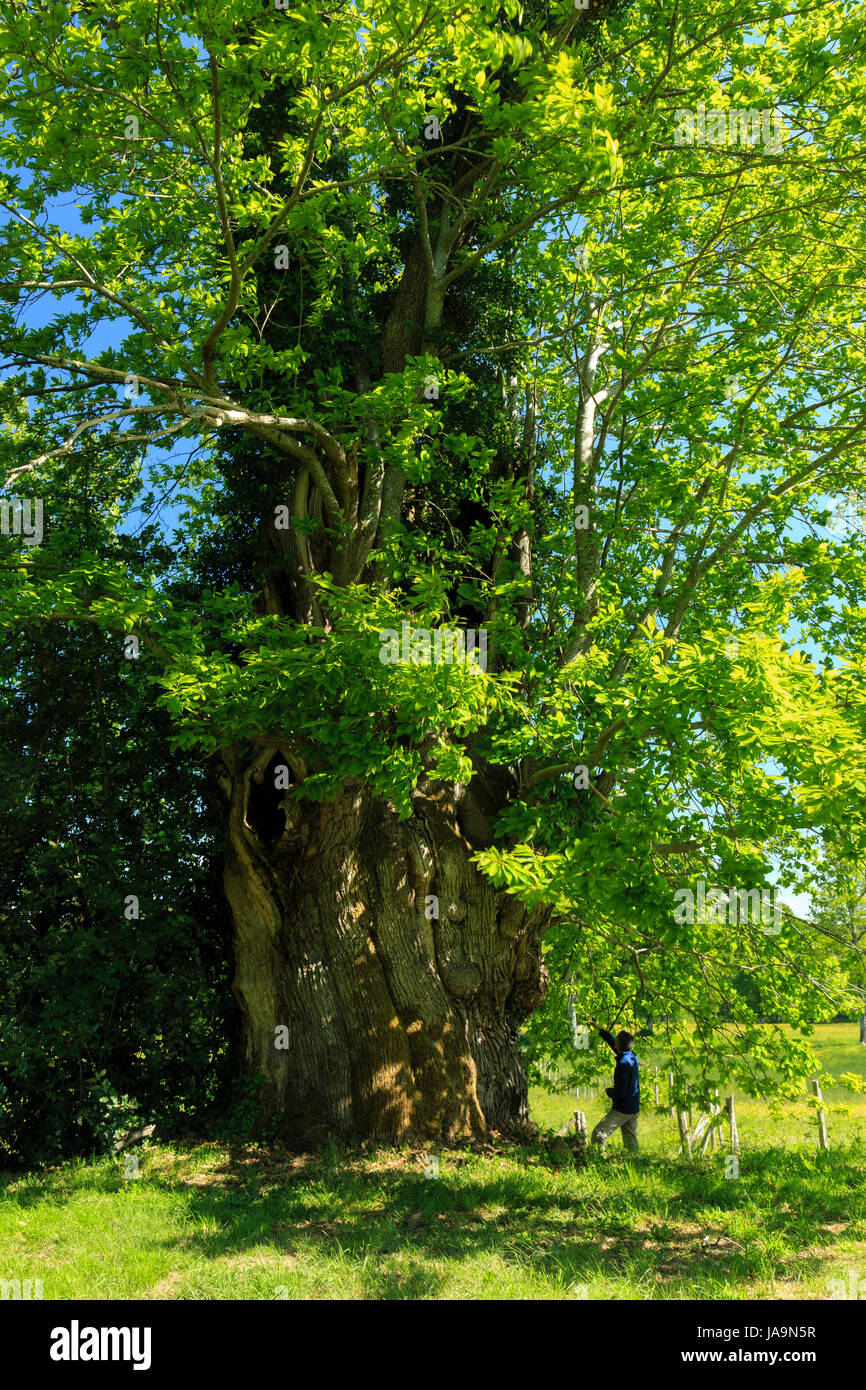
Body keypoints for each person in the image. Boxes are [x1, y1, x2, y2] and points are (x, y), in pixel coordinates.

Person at [586, 1017, 640, 1152]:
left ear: (618, 1045)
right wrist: (599, 1028)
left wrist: (608, 1091)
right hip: (634, 1108)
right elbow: (612, 1041)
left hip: (623, 1109)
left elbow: (620, 1092)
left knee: (598, 1134)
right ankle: (636, 1164)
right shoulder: (632, 1056)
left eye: (616, 1039)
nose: (614, 1040)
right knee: (630, 1141)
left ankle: (597, 1162)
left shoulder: (622, 1064)